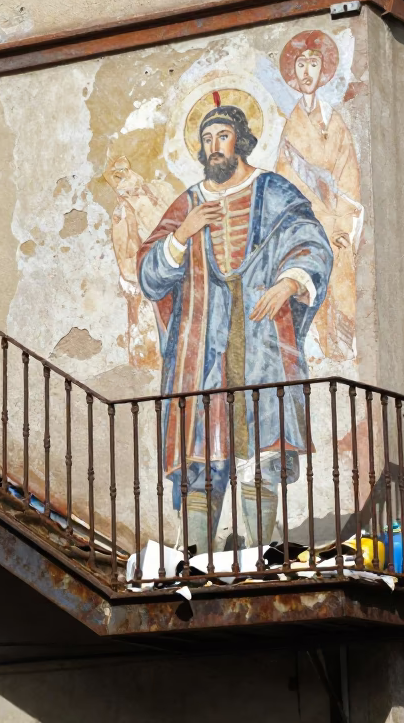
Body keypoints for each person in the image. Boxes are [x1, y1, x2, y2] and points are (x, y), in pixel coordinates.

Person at [138, 91, 333, 548]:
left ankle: (263, 549)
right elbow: (149, 276)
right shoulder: (187, 203)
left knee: (260, 452)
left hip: (262, 341)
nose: (214, 147)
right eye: (206, 139)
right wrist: (182, 235)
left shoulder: (272, 190)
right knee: (202, 458)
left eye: (222, 136)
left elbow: (311, 240)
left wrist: (289, 282)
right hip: (201, 348)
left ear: (240, 140)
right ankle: (201, 558)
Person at [274, 30, 364, 361]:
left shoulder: (336, 122)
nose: (307, 72)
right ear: (293, 73)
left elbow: (348, 176)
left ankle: (339, 357)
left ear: (323, 70)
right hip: (306, 226)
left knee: (339, 293)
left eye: (314, 64)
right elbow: (284, 179)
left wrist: (342, 223)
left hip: (335, 227)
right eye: (301, 65)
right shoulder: (292, 124)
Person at [103, 155, 178, 369]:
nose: (125, 179)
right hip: (146, 296)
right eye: (118, 174)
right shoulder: (122, 215)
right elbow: (128, 268)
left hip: (167, 287)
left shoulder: (159, 194)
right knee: (150, 357)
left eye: (126, 171)